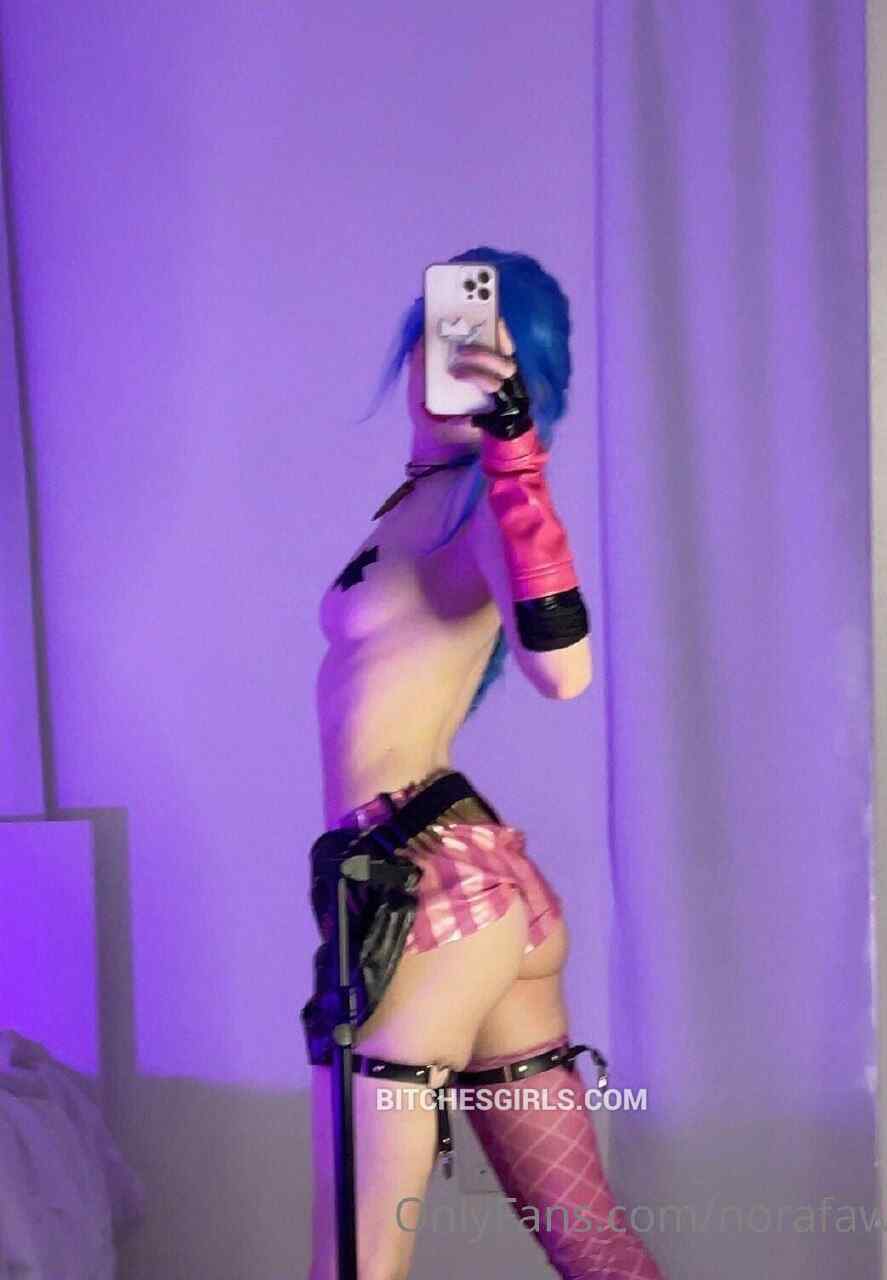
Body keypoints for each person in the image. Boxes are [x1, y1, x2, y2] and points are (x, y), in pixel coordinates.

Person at [303, 248, 663, 1280]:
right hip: (478, 890)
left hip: (423, 895)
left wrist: (516, 458)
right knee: (592, 1241)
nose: (443, 355)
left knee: (357, 1262)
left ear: (522, 369)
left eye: (476, 340)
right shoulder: (428, 501)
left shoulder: (483, 502)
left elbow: (564, 668)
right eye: (439, 327)